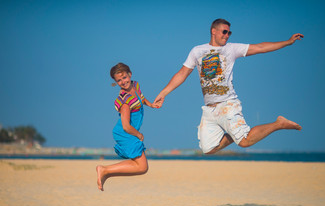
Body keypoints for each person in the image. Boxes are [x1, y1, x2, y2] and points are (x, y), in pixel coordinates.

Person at [154, 19, 303, 154]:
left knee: (244, 141)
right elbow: (182, 73)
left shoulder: (231, 49)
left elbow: (261, 47)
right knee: (208, 148)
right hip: (209, 109)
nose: (227, 35)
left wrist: (287, 42)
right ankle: (234, 134)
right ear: (214, 31)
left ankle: (278, 124)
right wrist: (164, 93)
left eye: (229, 33)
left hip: (228, 104)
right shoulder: (197, 51)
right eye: (224, 32)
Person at [96, 63, 158, 191]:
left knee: (140, 166)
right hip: (125, 133)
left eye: (124, 77)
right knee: (142, 167)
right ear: (115, 82)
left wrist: (150, 104)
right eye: (119, 80)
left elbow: (141, 97)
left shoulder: (135, 85)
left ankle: (105, 172)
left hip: (130, 133)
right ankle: (104, 170)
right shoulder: (124, 101)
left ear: (130, 74)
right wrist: (139, 135)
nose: (123, 82)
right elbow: (125, 126)